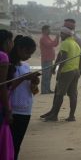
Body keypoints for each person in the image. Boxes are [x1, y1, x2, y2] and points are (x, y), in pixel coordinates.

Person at [8, 35, 40, 160]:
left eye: (31, 53)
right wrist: (24, 77)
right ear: (19, 49)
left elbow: (34, 91)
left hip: (26, 110)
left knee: (17, 144)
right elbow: (7, 88)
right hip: (12, 110)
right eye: (27, 52)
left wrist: (34, 82)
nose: (29, 56)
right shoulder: (9, 66)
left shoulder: (26, 66)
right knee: (11, 144)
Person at [43, 26, 81, 122]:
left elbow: (63, 57)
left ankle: (54, 115)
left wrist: (59, 70)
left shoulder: (65, 43)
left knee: (60, 94)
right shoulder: (75, 44)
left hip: (66, 71)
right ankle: (71, 116)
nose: (60, 36)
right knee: (73, 94)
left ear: (65, 35)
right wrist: (79, 69)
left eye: (61, 34)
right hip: (75, 71)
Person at [0, 29, 14, 160]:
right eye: (11, 41)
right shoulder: (3, 56)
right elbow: (2, 85)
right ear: (7, 42)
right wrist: (7, 109)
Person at [39, 25, 59, 94]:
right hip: (46, 60)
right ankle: (44, 90)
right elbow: (50, 44)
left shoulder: (47, 37)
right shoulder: (43, 38)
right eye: (49, 29)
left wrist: (57, 37)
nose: (50, 31)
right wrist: (57, 37)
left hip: (49, 59)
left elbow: (55, 44)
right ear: (45, 30)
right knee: (46, 76)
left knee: (49, 75)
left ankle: (47, 89)